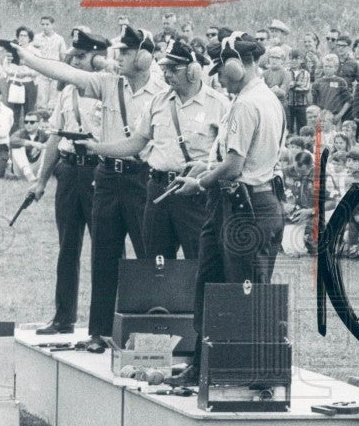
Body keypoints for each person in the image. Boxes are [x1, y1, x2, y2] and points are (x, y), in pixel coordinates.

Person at [18, 23, 162, 352]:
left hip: (143, 176)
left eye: (126, 51)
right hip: (108, 176)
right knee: (104, 256)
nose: (119, 57)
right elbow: (66, 72)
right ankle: (100, 331)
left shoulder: (161, 90)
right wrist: (27, 58)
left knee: (146, 256)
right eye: (118, 51)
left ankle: (145, 328)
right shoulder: (108, 84)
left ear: (143, 56)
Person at [169, 31, 286, 386]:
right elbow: (230, 160)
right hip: (238, 203)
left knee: (245, 290)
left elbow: (236, 166)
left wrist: (200, 183)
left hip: (245, 205)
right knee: (212, 284)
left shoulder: (249, 103)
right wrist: (204, 169)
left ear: (237, 64)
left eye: (221, 67)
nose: (218, 76)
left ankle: (252, 371)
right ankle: (208, 365)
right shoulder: (259, 99)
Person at [85, 38, 227, 260]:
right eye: (164, 68)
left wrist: (208, 176)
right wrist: (97, 148)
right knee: (155, 265)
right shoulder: (158, 102)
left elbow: (227, 156)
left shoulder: (219, 105)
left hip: (194, 193)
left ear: (193, 71)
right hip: (158, 191)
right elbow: (136, 142)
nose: (167, 74)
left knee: (200, 261)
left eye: (173, 68)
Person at [26, 28, 110, 336]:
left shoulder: (109, 92)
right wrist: (41, 180)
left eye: (81, 58)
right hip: (69, 171)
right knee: (67, 248)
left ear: (96, 59)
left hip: (97, 172)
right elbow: (54, 137)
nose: (75, 62)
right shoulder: (66, 93)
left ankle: (104, 325)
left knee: (103, 250)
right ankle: (63, 317)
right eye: (73, 57)